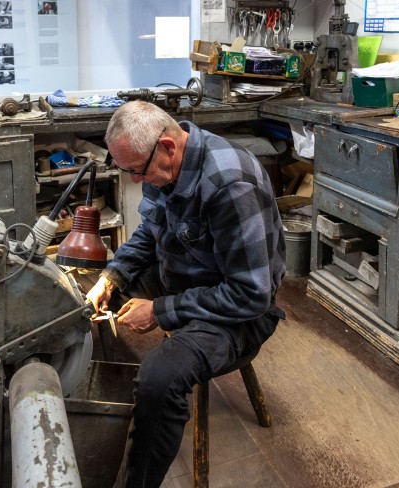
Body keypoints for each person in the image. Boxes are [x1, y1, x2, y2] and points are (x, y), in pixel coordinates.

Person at [86, 101, 286, 487]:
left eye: (136, 171)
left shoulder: (230, 185)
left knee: (160, 378)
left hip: (238, 311)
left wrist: (160, 312)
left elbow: (249, 294)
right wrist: (113, 276)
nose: (134, 181)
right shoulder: (167, 169)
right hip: (181, 276)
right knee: (88, 298)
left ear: (168, 147)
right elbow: (150, 233)